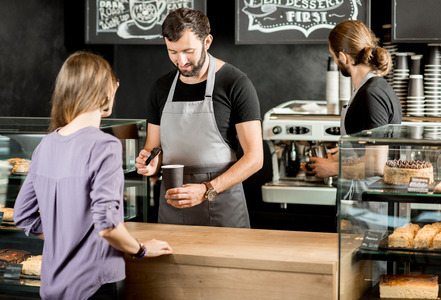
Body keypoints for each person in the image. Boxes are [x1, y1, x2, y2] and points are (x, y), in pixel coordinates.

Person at [13, 51, 173, 300]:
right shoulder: (104, 147)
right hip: (94, 285)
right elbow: (108, 226)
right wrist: (140, 249)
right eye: (114, 84)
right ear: (104, 92)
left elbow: (22, 216)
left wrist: (65, 236)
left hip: (52, 285)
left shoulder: (45, 145)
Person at [135, 8, 263, 228]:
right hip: (173, 204)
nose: (181, 61)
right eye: (172, 52)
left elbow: (255, 158)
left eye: (188, 51)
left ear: (207, 42)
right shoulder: (161, 88)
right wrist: (150, 163)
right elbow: (153, 148)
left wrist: (206, 190)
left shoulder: (235, 83)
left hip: (222, 204)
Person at [305, 20, 402, 179]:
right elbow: (368, 146)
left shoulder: (372, 95)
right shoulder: (369, 89)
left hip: (371, 198)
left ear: (343, 57)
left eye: (333, 55)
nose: (335, 62)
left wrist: (333, 169)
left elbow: (377, 164)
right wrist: (347, 151)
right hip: (361, 194)